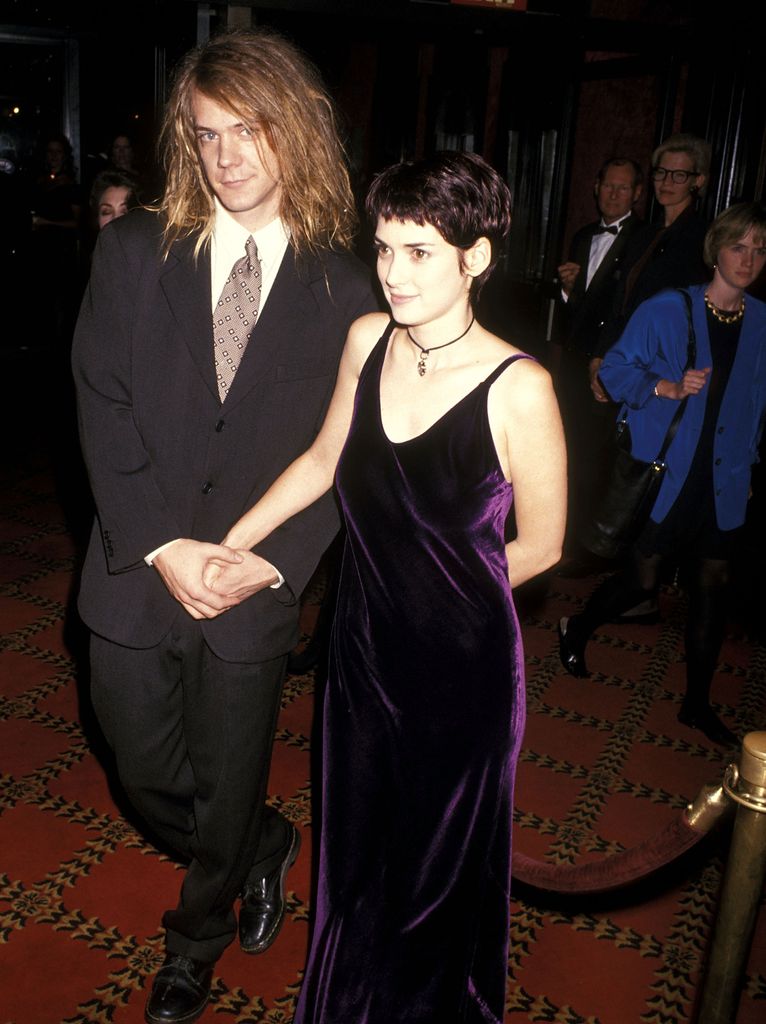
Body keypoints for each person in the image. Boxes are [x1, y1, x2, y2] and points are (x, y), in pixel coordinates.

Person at [204, 152, 567, 1022]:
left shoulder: (522, 388)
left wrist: (444, 596)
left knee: (432, 875)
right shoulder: (369, 340)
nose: (393, 274)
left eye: (419, 253)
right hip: (362, 654)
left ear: (477, 258)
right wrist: (231, 542)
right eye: (384, 249)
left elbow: (545, 546)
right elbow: (324, 460)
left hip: (462, 672)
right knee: (358, 849)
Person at [71, 28, 376, 1024]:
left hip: (251, 584)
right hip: (135, 565)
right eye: (207, 134)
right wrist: (163, 543)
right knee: (142, 768)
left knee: (231, 774)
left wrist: (272, 563)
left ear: (297, 132)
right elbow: (101, 397)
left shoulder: (349, 286)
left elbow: (344, 450)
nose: (228, 154)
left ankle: (195, 941)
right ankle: (262, 845)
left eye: (251, 130)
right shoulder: (133, 250)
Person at [559, 202, 766, 746]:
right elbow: (615, 370)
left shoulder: (762, 320)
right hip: (669, 470)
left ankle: (696, 703)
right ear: (716, 250)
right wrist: (665, 386)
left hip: (722, 479)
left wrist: (747, 465)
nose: (748, 259)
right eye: (738, 247)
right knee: (642, 581)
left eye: (759, 249)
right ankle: (577, 626)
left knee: (712, 584)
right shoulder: (669, 309)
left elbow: (756, 402)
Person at [556, 157, 644, 547]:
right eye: (608, 185)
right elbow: (580, 306)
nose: (613, 194)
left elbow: (629, 309)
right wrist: (568, 290)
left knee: (598, 455)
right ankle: (563, 533)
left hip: (611, 361)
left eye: (623, 188)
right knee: (568, 446)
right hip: (574, 358)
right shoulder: (582, 236)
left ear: (637, 193)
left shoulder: (644, 239)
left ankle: (588, 542)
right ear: (596, 187)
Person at [590, 133, 712, 401]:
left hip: (664, 367)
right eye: (661, 173)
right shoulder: (643, 234)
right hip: (624, 356)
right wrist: (600, 356)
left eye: (679, 175)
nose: (667, 182)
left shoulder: (703, 238)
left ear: (698, 181)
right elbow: (620, 301)